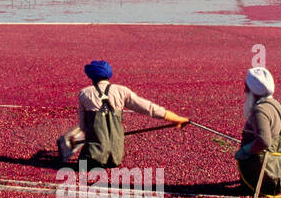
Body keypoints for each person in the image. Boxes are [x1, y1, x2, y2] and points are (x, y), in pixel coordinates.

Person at [57, 60, 188, 167]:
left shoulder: (84, 93)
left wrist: (79, 140)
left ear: (91, 76)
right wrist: (176, 118)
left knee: (85, 160)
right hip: (115, 157)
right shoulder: (122, 91)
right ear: (108, 75)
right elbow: (149, 108)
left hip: (92, 158)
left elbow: (83, 126)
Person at [235, 66, 281, 197]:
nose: (244, 90)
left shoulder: (260, 110)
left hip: (261, 174)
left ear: (252, 91)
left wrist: (246, 151)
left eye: (246, 87)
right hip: (277, 172)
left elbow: (264, 141)